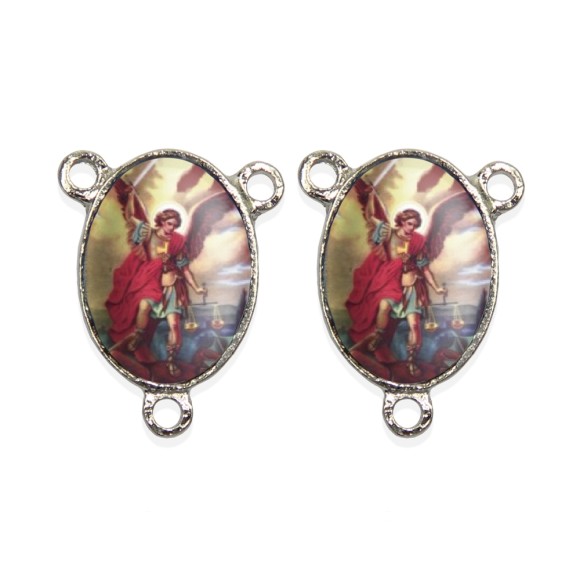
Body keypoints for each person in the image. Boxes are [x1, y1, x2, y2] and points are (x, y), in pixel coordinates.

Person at [106, 207, 206, 377]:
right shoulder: (148, 233)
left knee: (174, 325)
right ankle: (138, 336)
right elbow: (130, 216)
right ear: (161, 221)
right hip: (150, 282)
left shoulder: (178, 241)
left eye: (175, 225)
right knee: (144, 306)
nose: (171, 228)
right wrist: (130, 198)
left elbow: (185, 269)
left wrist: (196, 287)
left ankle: (171, 361)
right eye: (169, 224)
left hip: (171, 285)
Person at [346, 207, 446, 376]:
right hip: (390, 282)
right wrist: (370, 198)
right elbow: (370, 216)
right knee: (384, 306)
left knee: (414, 325)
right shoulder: (388, 234)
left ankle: (411, 361)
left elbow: (424, 268)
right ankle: (379, 336)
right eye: (409, 224)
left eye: (415, 225)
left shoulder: (418, 241)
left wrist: (436, 287)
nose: (412, 228)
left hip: (411, 285)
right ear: (401, 221)